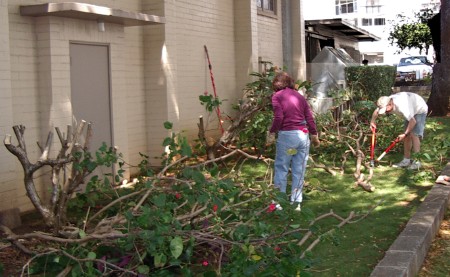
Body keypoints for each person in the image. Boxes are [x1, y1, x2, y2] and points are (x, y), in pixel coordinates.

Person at [267, 72, 320, 211]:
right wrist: (314, 134)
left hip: (288, 137)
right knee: (299, 170)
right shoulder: (299, 96)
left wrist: (272, 132)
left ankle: (278, 204)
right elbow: (309, 117)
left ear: (276, 84)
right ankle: (296, 203)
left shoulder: (277, 96)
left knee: (282, 168)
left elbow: (278, 117)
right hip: (303, 137)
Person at [370, 92, 428, 170]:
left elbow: (413, 121)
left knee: (414, 135)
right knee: (407, 136)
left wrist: (404, 134)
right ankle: (406, 160)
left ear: (390, 104)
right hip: (411, 109)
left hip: (419, 109)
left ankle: (417, 162)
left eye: (386, 110)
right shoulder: (384, 102)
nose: (386, 112)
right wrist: (372, 122)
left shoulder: (402, 106)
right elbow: (376, 111)